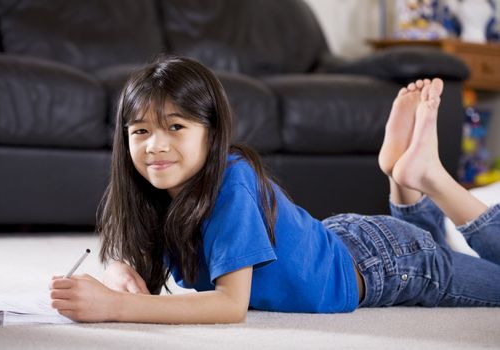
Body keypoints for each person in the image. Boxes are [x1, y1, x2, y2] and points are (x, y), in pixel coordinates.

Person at [50, 56, 500, 323]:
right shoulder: (153, 192)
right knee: (435, 248)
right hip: (347, 239)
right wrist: (119, 270)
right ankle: (405, 183)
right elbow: (136, 259)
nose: (155, 145)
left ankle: (430, 179)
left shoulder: (232, 179)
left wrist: (115, 308)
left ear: (212, 131)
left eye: (175, 126)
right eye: (140, 131)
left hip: (389, 266)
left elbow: (230, 305)